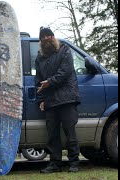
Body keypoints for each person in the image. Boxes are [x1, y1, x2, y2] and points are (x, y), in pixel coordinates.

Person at [35, 26, 81, 173]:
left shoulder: (64, 50)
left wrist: (49, 82)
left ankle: (74, 163)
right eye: (43, 37)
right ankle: (55, 164)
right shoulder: (39, 57)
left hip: (67, 97)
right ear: (40, 40)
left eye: (48, 35)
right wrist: (41, 100)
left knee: (70, 132)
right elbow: (39, 80)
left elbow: (65, 71)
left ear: (53, 37)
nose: (46, 38)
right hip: (50, 101)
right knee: (53, 135)